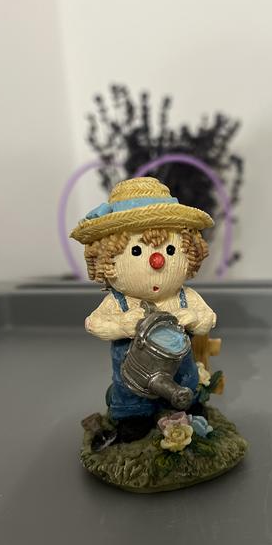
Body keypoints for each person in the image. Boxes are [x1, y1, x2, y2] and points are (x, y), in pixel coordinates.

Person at [71, 177, 216, 441]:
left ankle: (187, 406)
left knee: (186, 380)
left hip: (178, 367)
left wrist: (194, 318)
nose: (157, 261)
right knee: (129, 392)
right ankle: (134, 415)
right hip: (134, 373)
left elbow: (208, 319)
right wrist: (122, 325)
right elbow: (94, 323)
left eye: (170, 249)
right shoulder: (119, 302)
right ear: (106, 259)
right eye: (136, 251)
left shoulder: (184, 297)